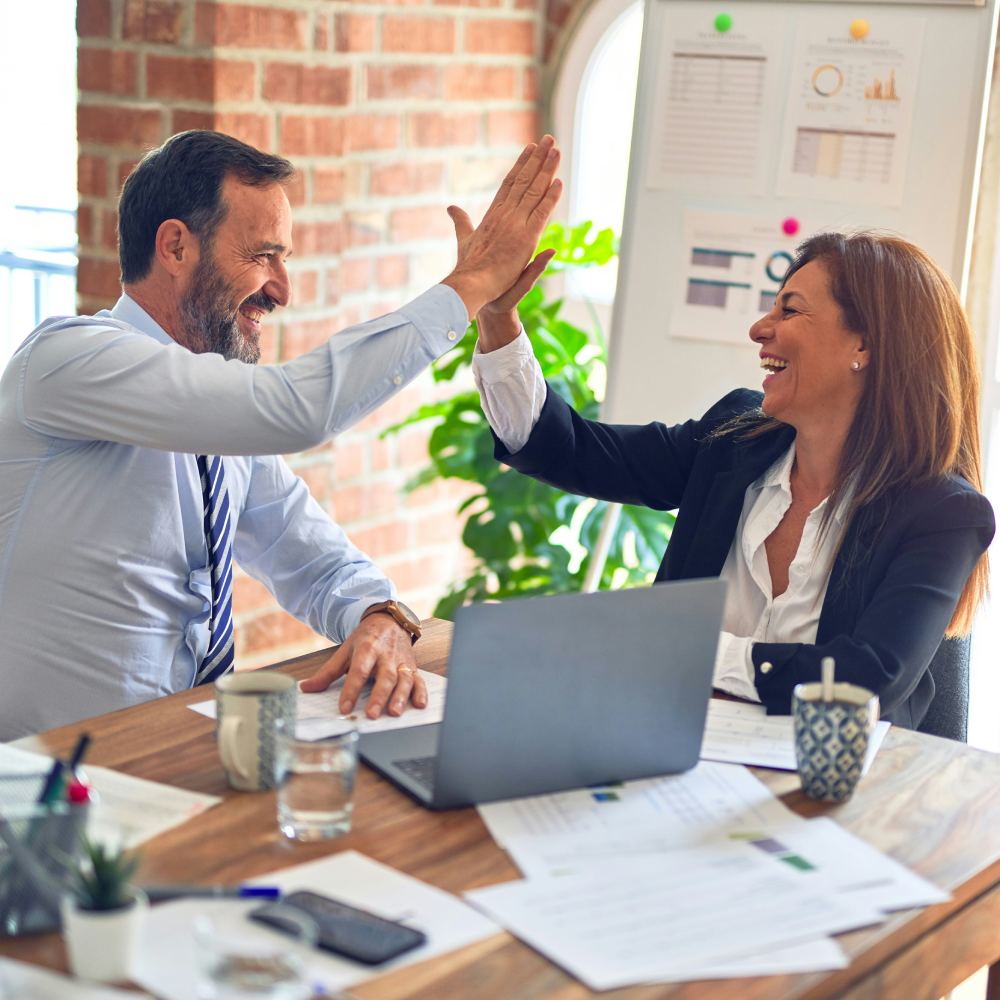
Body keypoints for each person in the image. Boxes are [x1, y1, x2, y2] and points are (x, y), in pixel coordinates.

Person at [0, 129, 561, 741]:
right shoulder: (69, 360)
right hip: (45, 783)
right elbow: (299, 408)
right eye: (262, 255)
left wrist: (380, 615)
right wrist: (471, 285)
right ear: (175, 246)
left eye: (284, 259)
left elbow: (315, 562)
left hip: (177, 757)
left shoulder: (218, 422)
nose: (282, 290)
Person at [472, 231, 994, 729]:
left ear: (865, 345)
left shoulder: (942, 513)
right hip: (676, 752)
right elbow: (572, 450)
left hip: (840, 792)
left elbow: (865, 682)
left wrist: (687, 649)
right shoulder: (734, 439)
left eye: (789, 309)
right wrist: (498, 319)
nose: (759, 329)